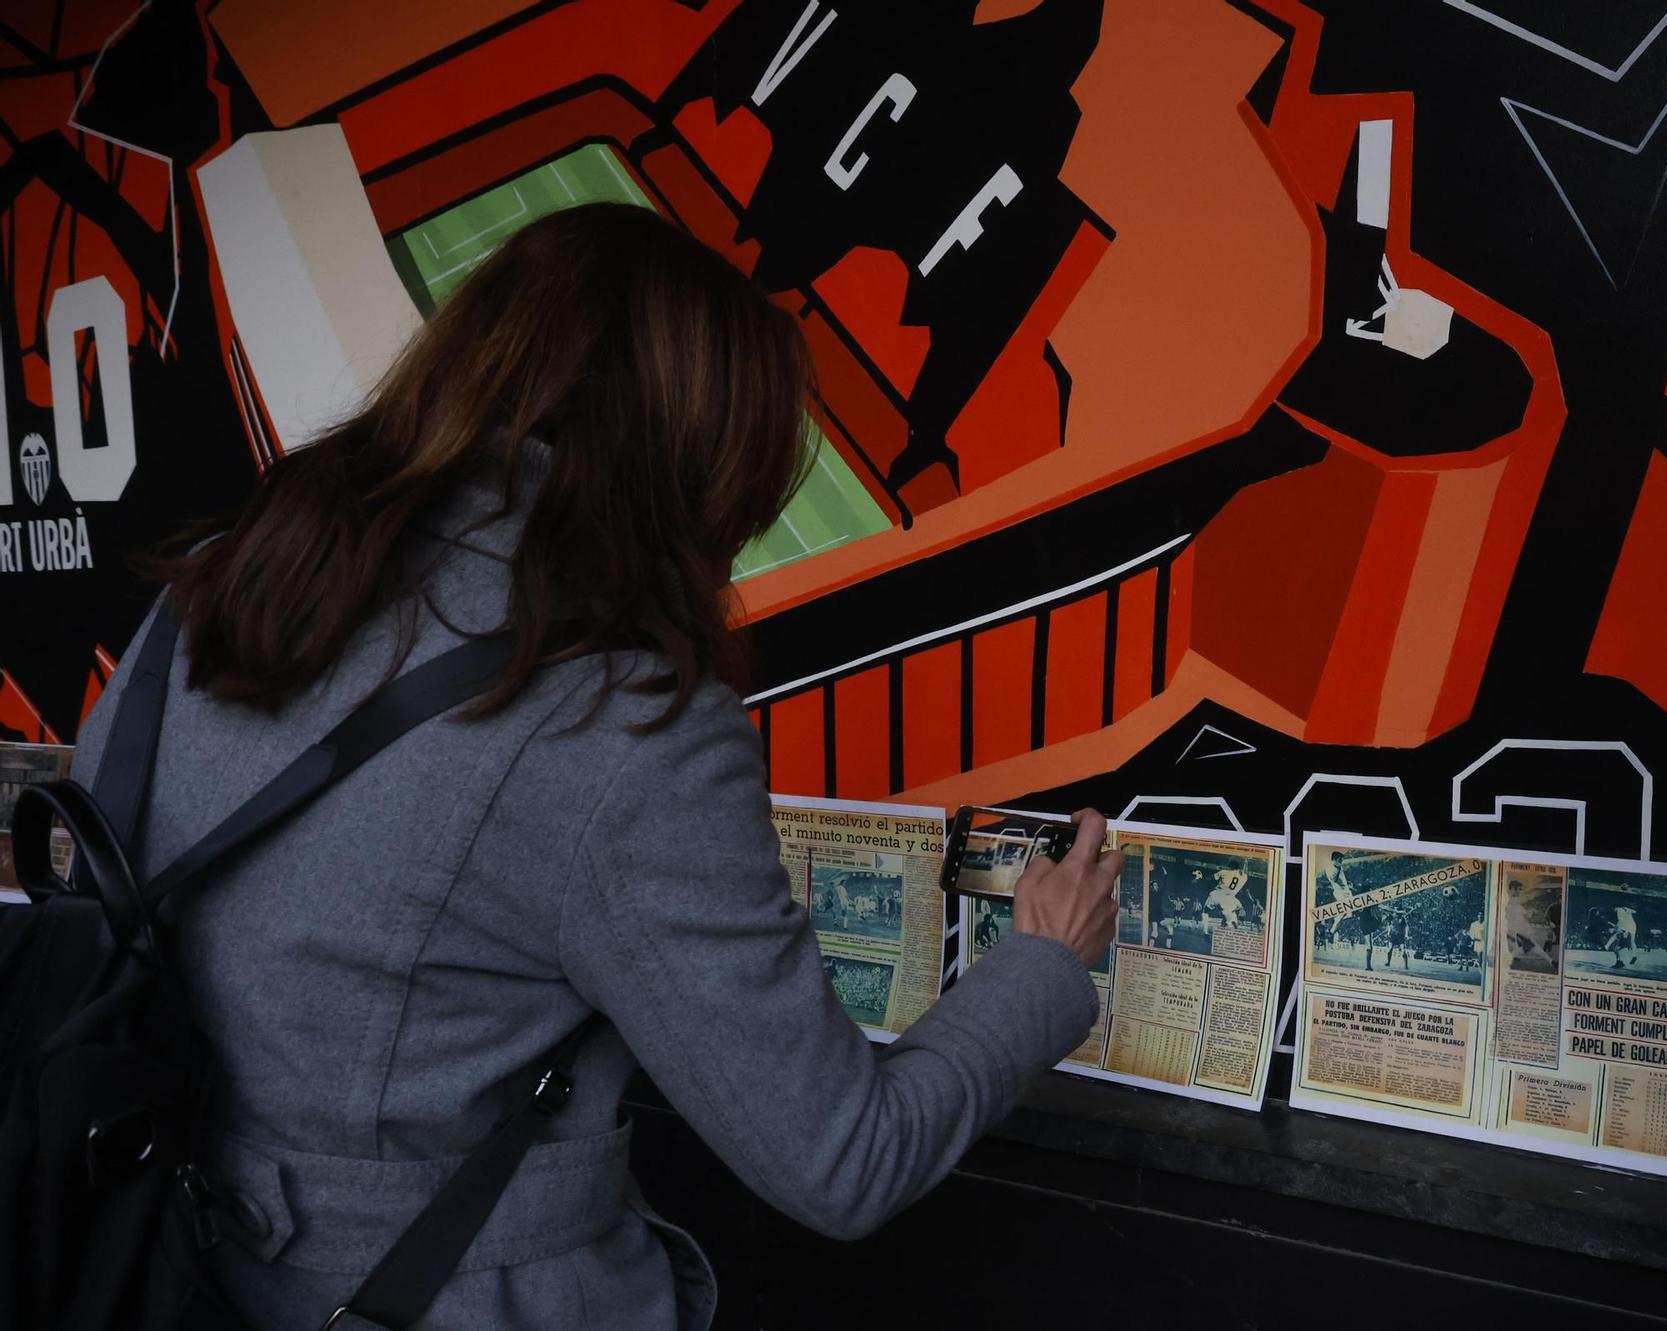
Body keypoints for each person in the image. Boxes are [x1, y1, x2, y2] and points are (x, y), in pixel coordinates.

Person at [68, 205, 1122, 1330]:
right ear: (707, 464)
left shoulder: (211, 591)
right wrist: (1046, 961)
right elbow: (842, 1157)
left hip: (142, 1263)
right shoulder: (616, 722)